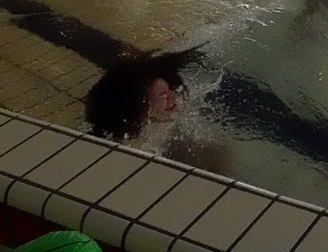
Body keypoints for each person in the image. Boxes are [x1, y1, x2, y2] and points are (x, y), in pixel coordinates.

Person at [85, 49, 229, 172]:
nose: (174, 98)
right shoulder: (120, 151)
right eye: (164, 95)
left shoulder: (149, 130)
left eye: (171, 90)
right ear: (138, 109)